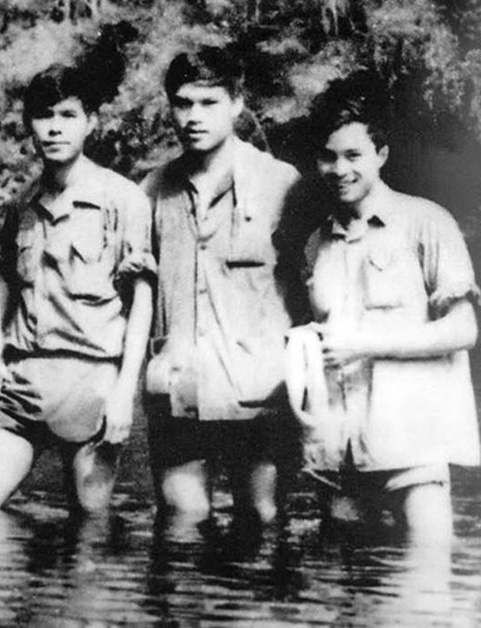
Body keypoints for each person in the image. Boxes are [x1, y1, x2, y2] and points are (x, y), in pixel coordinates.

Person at [0, 54, 155, 513]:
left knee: (89, 530)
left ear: (91, 122)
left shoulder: (123, 199)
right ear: (29, 124)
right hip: (25, 383)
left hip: (93, 384)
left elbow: (141, 299)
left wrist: (125, 392)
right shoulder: (22, 202)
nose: (54, 128)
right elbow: (3, 279)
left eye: (67, 115)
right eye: (43, 116)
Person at [296, 72, 480, 545]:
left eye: (354, 155)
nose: (340, 170)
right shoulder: (316, 244)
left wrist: (367, 344)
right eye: (328, 157)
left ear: (381, 154)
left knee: (424, 589)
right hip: (339, 459)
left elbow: (463, 330)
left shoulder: (427, 223)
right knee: (347, 600)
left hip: (413, 451)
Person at [142, 47, 303, 529]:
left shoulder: (282, 184)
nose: (193, 117)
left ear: (237, 102)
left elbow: (310, 291)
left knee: (263, 524)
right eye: (183, 103)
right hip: (176, 389)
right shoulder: (151, 190)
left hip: (259, 391)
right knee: (181, 528)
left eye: (208, 103)